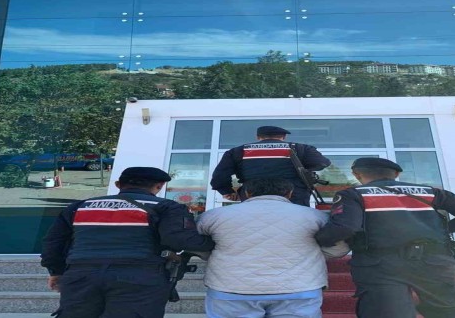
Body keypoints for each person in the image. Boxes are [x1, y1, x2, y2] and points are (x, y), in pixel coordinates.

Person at [315, 158, 455, 318]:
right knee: (450, 312)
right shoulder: (431, 192)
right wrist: (440, 230)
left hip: (380, 265)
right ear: (396, 174)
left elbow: (345, 227)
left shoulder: (354, 195)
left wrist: (317, 240)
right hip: (434, 262)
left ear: (357, 174)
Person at [40, 167, 215, 318]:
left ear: (118, 185)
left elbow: (53, 242)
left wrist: (56, 271)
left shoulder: (79, 207)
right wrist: (214, 243)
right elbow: (179, 239)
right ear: (159, 186)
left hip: (80, 276)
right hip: (139, 277)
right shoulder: (166, 207)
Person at [197, 178, 349, 318]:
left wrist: (214, 255)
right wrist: (312, 255)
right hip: (299, 288)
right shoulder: (316, 216)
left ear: (247, 193)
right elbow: (339, 247)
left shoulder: (214, 216)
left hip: (230, 289)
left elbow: (194, 243)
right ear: (290, 193)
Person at [210, 125, 331, 206]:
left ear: (258, 137)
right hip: (293, 195)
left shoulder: (238, 151)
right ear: (284, 137)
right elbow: (322, 163)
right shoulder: (301, 148)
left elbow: (219, 177)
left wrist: (227, 191)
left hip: (252, 195)